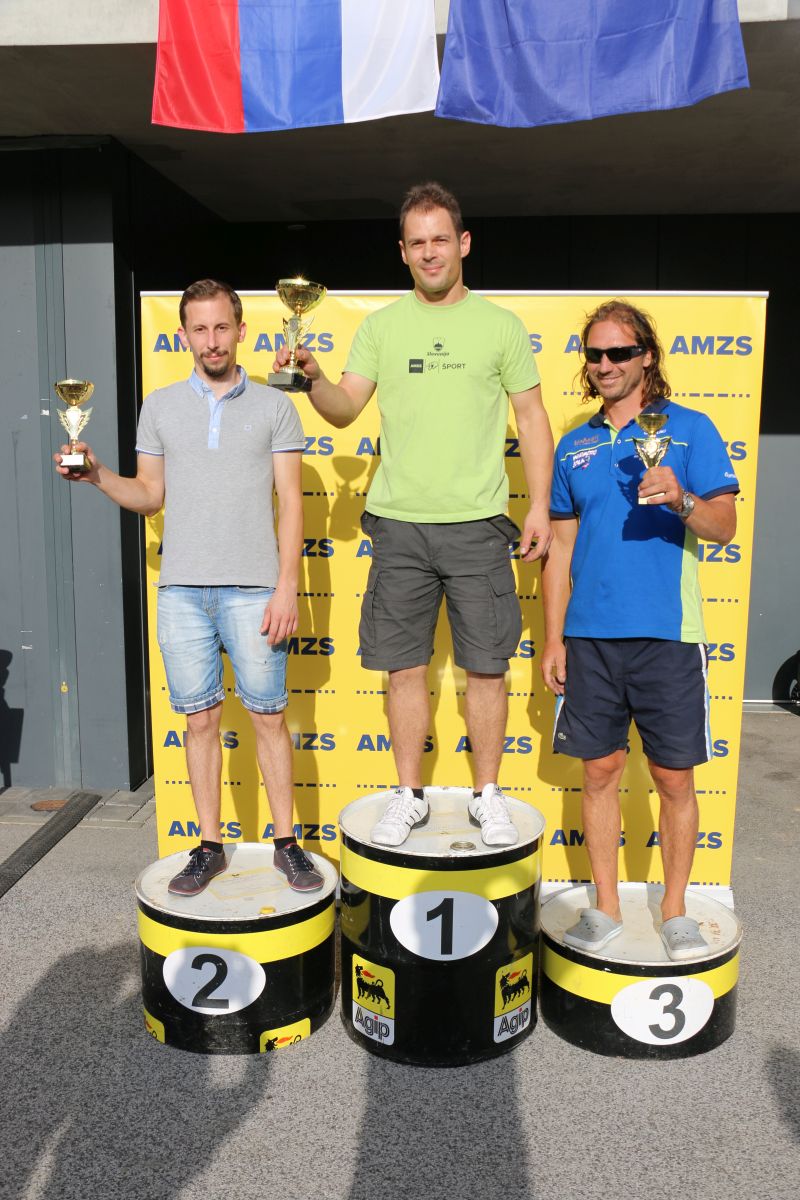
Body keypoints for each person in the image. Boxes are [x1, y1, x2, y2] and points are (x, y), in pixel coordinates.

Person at [274, 182, 554, 848]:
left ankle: (488, 796)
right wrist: (312, 378)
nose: (430, 253)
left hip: (480, 524)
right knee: (403, 668)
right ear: (402, 252)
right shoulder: (381, 327)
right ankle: (408, 795)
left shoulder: (501, 327)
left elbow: (532, 418)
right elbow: (345, 408)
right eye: (417, 242)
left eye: (440, 240)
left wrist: (540, 504)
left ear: (463, 244)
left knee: (487, 668)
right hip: (398, 526)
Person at [55, 279, 323, 896]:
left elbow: (291, 502)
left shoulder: (276, 406)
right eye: (199, 329)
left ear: (241, 331)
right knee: (200, 722)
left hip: (254, 589)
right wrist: (96, 475)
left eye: (222, 327)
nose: (212, 340)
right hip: (181, 592)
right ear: (183, 336)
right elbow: (149, 496)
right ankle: (208, 846)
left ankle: (287, 845)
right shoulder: (160, 406)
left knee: (268, 718)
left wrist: (288, 586)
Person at [540, 299, 739, 961]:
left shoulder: (691, 429)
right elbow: (559, 550)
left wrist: (681, 498)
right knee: (599, 772)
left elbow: (724, 526)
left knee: (673, 778)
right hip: (590, 638)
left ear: (647, 356)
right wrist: (553, 638)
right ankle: (604, 906)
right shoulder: (575, 445)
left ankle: (675, 910)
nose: (605, 365)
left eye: (619, 352)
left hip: (668, 634)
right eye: (594, 354)